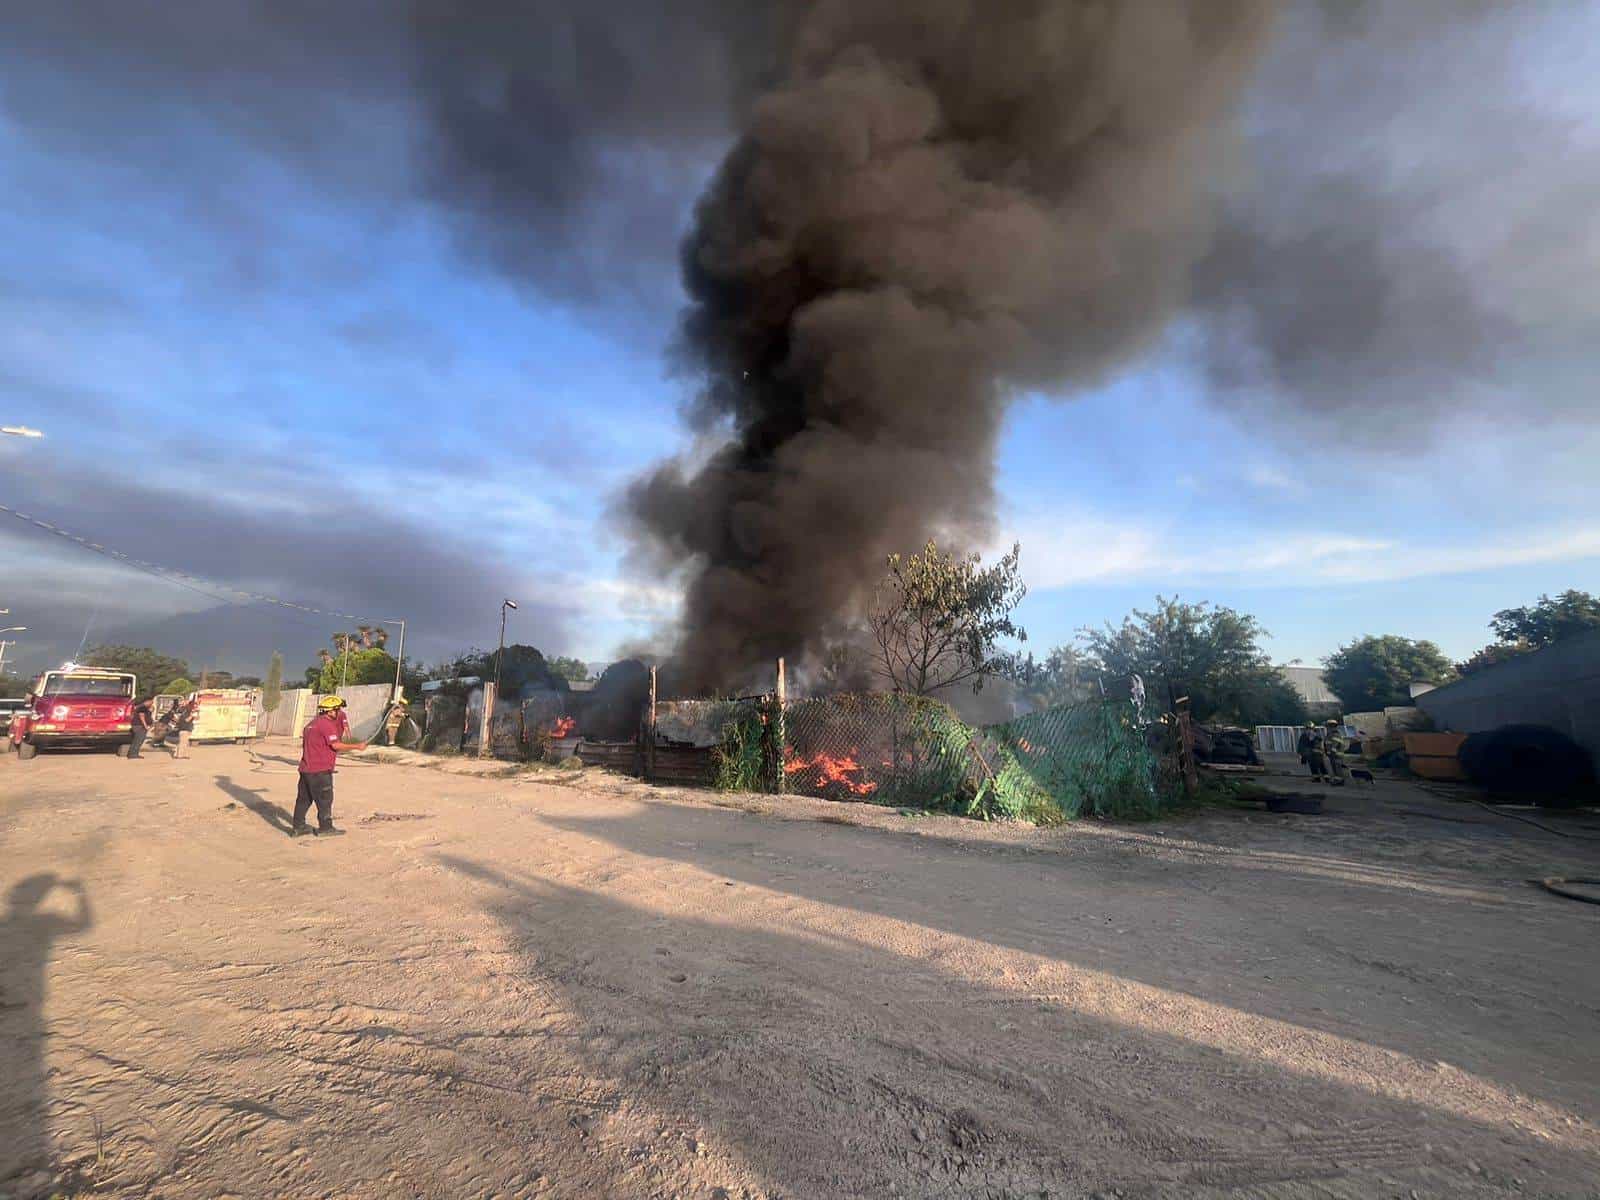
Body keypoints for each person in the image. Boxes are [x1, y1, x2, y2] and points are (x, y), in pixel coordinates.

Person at [292, 695, 368, 838]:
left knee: (303, 799)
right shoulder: (326, 725)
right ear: (331, 711)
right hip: (320, 770)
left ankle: (298, 827)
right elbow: (335, 745)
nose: (339, 713)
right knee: (325, 799)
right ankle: (326, 828)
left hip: (306, 769)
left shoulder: (311, 724)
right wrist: (357, 746)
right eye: (337, 710)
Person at [1324, 719, 1349, 786]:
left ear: (1331, 726)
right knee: (1335, 768)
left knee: (1338, 768)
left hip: (1336, 754)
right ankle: (1337, 780)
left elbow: (1335, 744)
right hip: (1332, 754)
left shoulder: (1335, 734)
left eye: (1327, 726)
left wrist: (1332, 752)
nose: (1327, 728)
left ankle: (1340, 781)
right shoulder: (1330, 734)